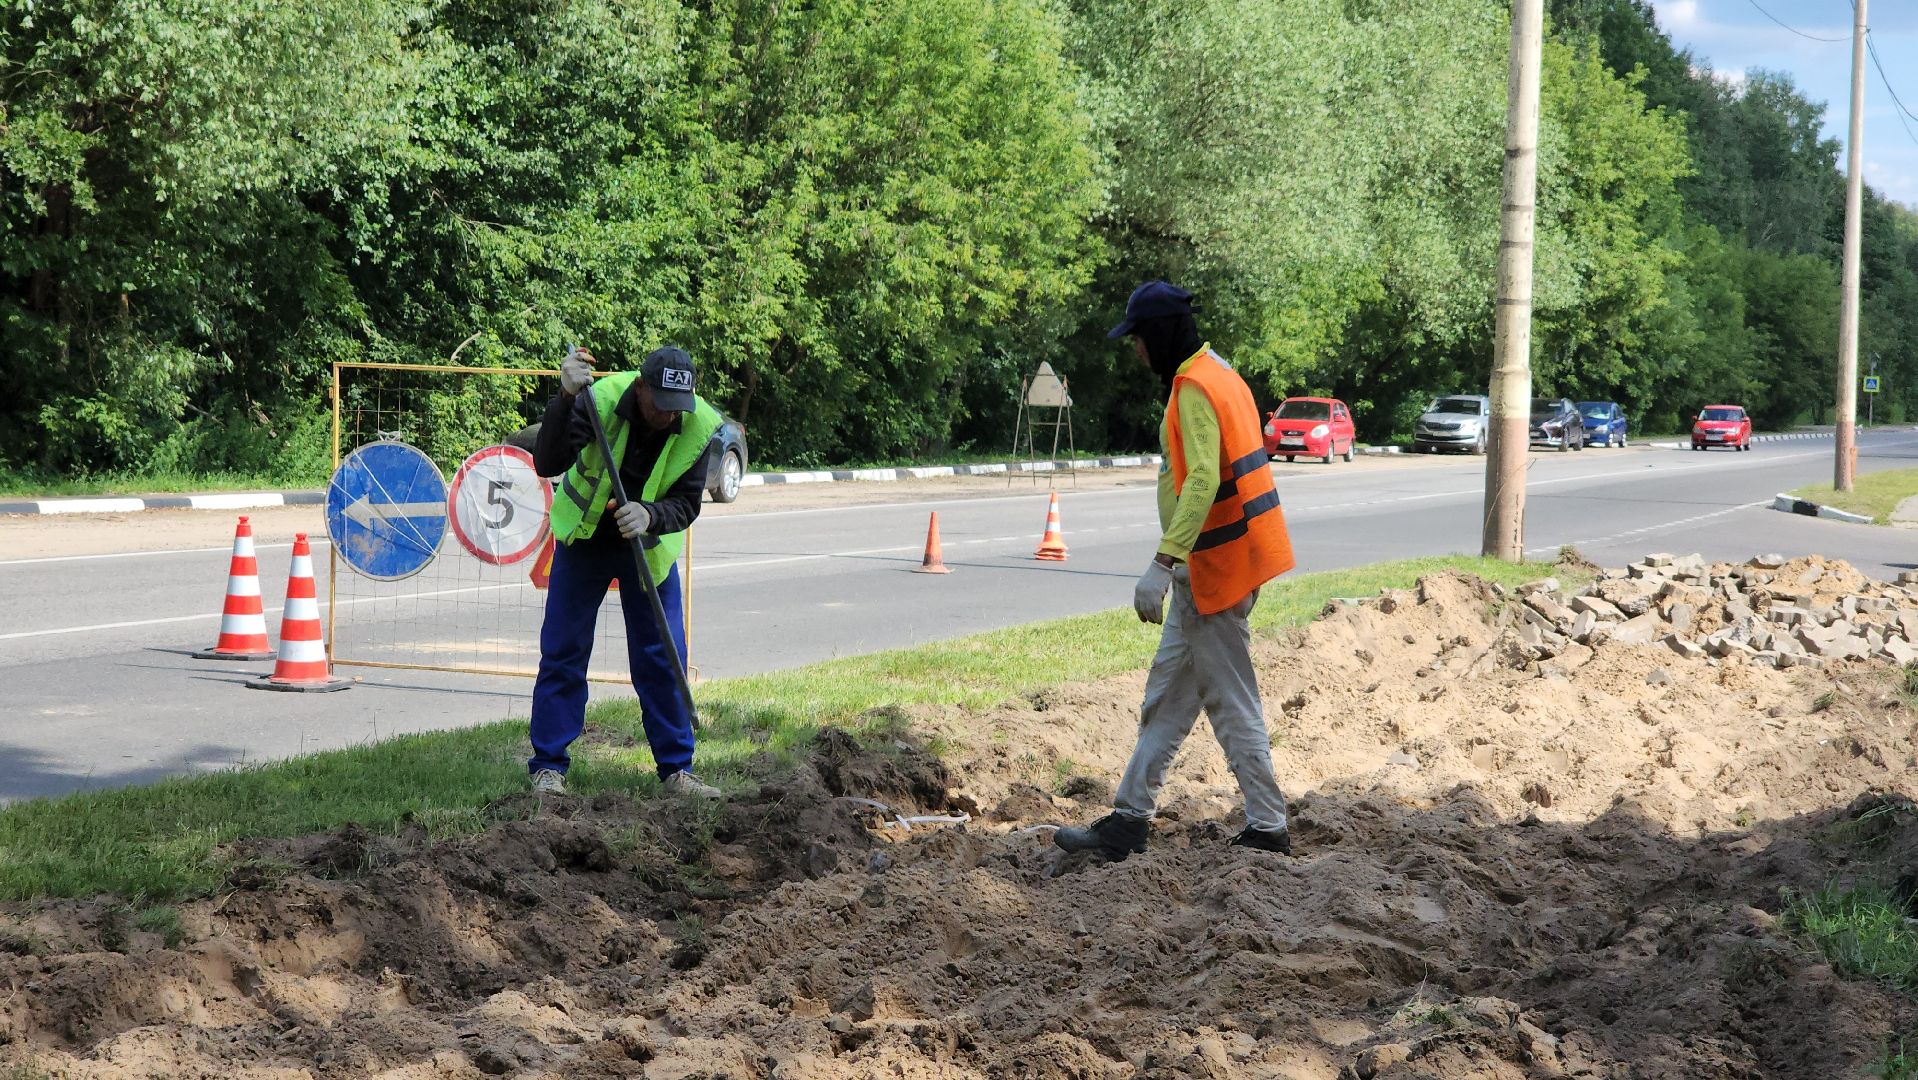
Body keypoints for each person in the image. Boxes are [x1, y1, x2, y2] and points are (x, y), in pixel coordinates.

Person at [1054, 281, 1298, 859]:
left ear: (1160, 334)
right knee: (1165, 700)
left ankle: (1267, 825)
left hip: (1212, 570)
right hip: (1219, 565)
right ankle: (1129, 819)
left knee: (1232, 701)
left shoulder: (1193, 387)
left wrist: (1163, 563)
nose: (1136, 350)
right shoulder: (1219, 370)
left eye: (1138, 339)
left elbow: (1203, 481)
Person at [526, 344, 722, 798]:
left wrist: (651, 514)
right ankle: (548, 767)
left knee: (664, 657)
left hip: (647, 549)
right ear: (640, 387)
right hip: (585, 542)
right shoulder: (599, 400)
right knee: (564, 651)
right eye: (660, 405)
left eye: (678, 407)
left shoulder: (698, 424)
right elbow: (547, 461)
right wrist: (565, 398)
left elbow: (688, 503)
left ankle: (677, 770)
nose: (669, 416)